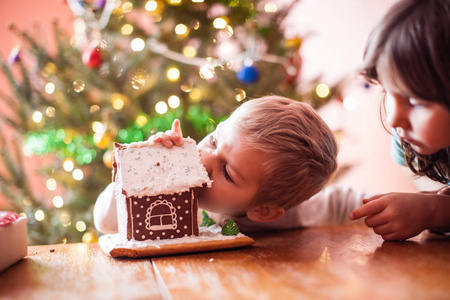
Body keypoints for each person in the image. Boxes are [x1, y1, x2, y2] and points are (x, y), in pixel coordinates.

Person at [94, 96, 366, 234]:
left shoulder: (301, 212)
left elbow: (351, 205)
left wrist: (407, 208)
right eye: (213, 140)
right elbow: (105, 222)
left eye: (226, 172)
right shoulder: (169, 192)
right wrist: (148, 170)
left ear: (263, 210)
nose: (202, 157)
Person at [350, 0, 450, 241]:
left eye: (415, 100)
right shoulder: (410, 144)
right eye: (387, 90)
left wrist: (433, 210)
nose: (394, 119)